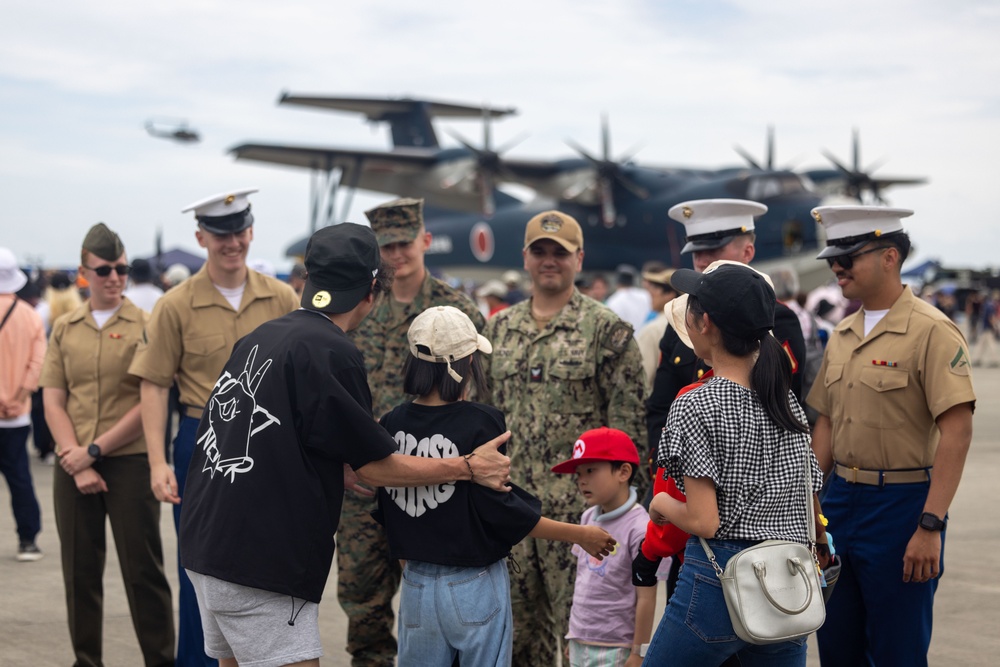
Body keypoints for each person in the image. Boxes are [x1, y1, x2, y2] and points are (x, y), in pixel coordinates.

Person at [178, 223, 514, 667]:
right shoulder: (333, 349)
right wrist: (466, 466)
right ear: (372, 290)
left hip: (205, 544)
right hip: (259, 560)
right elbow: (376, 468)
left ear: (307, 280)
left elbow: (267, 431)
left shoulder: (263, 335)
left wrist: (333, 467)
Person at [376, 305, 615, 667]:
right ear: (467, 364)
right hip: (473, 584)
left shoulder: (392, 422)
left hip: (416, 586)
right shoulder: (482, 421)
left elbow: (388, 508)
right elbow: (502, 511)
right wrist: (580, 535)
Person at [129, 187, 299, 667]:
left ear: (250, 232)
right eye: (222, 234)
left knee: (269, 564)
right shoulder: (175, 305)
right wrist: (159, 461)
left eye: (240, 232)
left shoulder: (282, 297)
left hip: (266, 445)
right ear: (202, 236)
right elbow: (154, 385)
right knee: (199, 572)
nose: (233, 243)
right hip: (200, 445)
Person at [806, 205, 976, 666]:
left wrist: (930, 525)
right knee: (837, 646)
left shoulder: (933, 331)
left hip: (902, 508)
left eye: (849, 257)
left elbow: (957, 432)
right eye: (832, 260)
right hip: (839, 505)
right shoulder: (841, 333)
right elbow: (825, 421)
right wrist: (812, 504)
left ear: (889, 257)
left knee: (897, 651)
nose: (837, 268)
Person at [482, 210, 647, 665]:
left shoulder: (607, 331)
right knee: (514, 642)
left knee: (585, 644)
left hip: (583, 523)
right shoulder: (496, 331)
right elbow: (481, 425)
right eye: (540, 251)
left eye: (560, 252)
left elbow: (630, 432)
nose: (549, 261)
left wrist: (631, 521)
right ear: (525, 258)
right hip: (512, 515)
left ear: (580, 258)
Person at [643, 263, 823, 665]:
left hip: (720, 577)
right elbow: (811, 493)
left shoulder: (695, 403)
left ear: (704, 323)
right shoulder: (784, 401)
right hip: (786, 580)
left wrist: (661, 505)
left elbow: (705, 521)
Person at [336, 196, 487, 667]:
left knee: (444, 605)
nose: (396, 256)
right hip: (364, 484)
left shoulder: (457, 312)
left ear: (424, 240)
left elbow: (479, 402)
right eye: (387, 248)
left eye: (404, 244)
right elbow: (333, 395)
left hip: (433, 483)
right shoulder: (358, 309)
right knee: (363, 603)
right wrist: (341, 459)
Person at [40, 223, 174, 667]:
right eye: (104, 270)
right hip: (72, 462)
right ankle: (86, 660)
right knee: (79, 572)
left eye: (122, 268)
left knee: (143, 572)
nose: (114, 277)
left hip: (130, 462)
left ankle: (160, 660)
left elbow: (149, 399)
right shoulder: (64, 327)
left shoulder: (146, 324)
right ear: (84, 273)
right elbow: (54, 398)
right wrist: (75, 460)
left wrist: (94, 451)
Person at [645, 199, 806, 484]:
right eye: (696, 251)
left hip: (749, 480)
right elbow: (660, 406)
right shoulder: (681, 316)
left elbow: (779, 408)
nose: (703, 260)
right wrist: (666, 468)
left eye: (714, 249)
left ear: (748, 251)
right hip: (680, 477)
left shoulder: (776, 320)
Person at [550, 427, 654, 667]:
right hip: (579, 642)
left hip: (617, 648)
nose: (581, 480)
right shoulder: (587, 518)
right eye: (578, 474)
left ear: (623, 471)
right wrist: (575, 635)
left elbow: (647, 597)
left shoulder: (640, 527)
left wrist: (638, 652)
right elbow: (583, 582)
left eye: (590, 470)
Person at [0, 247, 46, 562]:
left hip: (10, 410)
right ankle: (28, 540)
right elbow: (38, 363)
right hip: (16, 417)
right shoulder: (30, 316)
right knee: (19, 478)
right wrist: (17, 398)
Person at [635, 265, 677, 392]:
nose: (651, 293)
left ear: (669, 294)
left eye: (656, 288)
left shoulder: (652, 329)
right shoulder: (689, 325)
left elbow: (641, 379)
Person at [606, 264, 651, 332]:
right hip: (646, 338)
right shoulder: (645, 295)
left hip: (626, 341)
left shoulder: (613, 300)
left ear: (617, 282)